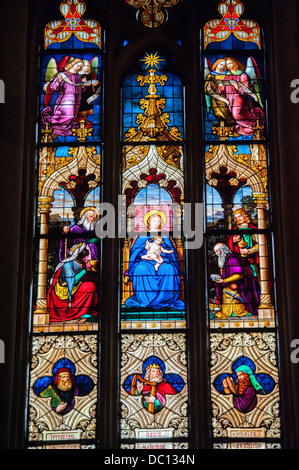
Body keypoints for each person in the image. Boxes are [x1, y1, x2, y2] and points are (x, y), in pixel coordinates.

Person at [124, 210, 184, 310]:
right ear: (148, 222)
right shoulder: (142, 236)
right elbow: (135, 252)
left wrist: (163, 250)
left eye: (158, 221)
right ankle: (145, 300)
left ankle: (165, 299)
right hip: (145, 260)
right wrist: (145, 251)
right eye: (153, 221)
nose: (156, 223)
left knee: (169, 268)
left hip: (162, 260)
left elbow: (171, 251)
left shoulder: (164, 235)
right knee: (140, 269)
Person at [47, 243, 98, 322]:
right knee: (90, 286)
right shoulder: (68, 264)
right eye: (84, 250)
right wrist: (84, 272)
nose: (87, 251)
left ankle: (84, 311)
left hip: (75, 287)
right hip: (65, 291)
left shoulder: (80, 263)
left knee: (91, 285)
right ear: (78, 252)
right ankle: (79, 312)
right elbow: (71, 281)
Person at [41, 58, 90, 137]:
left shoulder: (77, 77)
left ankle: (63, 128)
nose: (79, 67)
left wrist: (84, 85)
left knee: (73, 116)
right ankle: (58, 129)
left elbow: (81, 89)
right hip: (66, 99)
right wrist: (59, 81)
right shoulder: (63, 74)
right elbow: (53, 87)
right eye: (78, 65)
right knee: (68, 115)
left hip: (77, 99)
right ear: (73, 64)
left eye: (80, 66)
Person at [211, 242, 259, 319]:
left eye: (217, 251)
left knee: (238, 311)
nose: (217, 254)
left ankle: (236, 312)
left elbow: (238, 275)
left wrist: (223, 281)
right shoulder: (226, 260)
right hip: (228, 291)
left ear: (223, 250)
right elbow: (226, 275)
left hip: (237, 289)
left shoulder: (232, 259)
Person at [224, 57, 265, 136]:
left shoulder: (242, 75)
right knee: (233, 115)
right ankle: (251, 126)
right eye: (227, 64)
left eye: (230, 63)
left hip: (240, 98)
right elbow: (224, 89)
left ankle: (253, 124)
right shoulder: (227, 76)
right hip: (229, 99)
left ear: (235, 63)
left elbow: (247, 88)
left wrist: (237, 87)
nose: (228, 65)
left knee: (237, 114)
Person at [228, 208, 259, 289]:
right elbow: (231, 245)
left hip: (251, 259)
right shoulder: (235, 230)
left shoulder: (252, 229)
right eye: (236, 217)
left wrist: (249, 251)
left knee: (253, 278)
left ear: (245, 216)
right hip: (238, 259)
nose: (238, 219)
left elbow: (261, 244)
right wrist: (232, 240)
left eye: (240, 216)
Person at [204, 58, 236, 128]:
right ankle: (221, 122)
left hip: (225, 95)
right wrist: (211, 85)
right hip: (215, 96)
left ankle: (230, 122)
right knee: (217, 111)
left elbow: (230, 82)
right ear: (216, 64)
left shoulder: (226, 74)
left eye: (224, 65)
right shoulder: (211, 75)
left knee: (225, 109)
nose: (222, 67)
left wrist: (225, 86)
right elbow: (206, 86)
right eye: (221, 65)